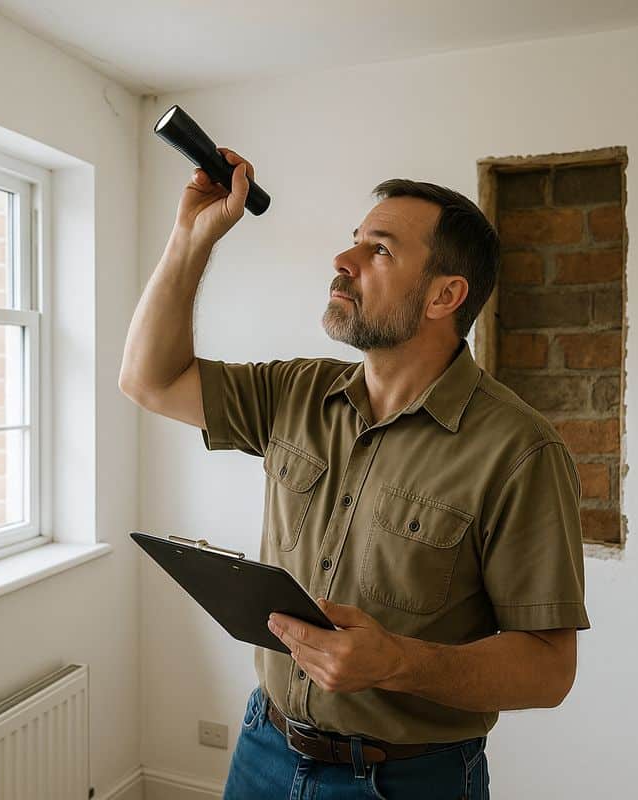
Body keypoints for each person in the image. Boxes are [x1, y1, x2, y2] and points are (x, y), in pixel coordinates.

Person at [119, 148, 591, 800]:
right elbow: (149, 379)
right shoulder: (296, 391)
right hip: (264, 746)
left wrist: (399, 662)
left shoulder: (519, 451)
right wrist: (191, 237)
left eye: (381, 251)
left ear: (444, 295)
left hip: (410, 780)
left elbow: (548, 668)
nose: (343, 263)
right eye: (353, 244)